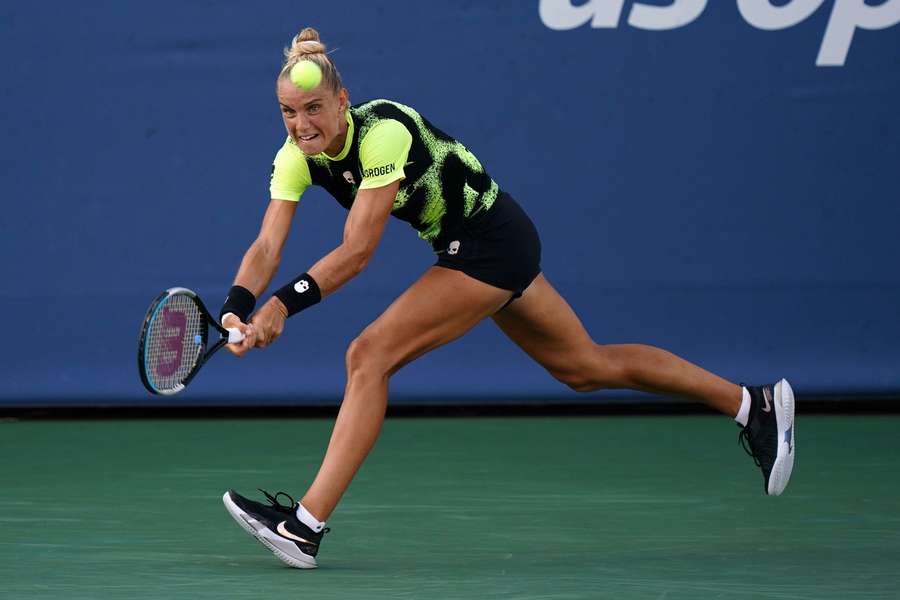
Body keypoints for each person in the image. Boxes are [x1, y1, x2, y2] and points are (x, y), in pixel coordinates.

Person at [219, 27, 795, 569]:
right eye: (289, 112)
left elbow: (358, 249)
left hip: (490, 244)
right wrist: (239, 305)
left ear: (343, 99)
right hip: (478, 245)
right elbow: (268, 245)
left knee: (368, 355)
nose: (300, 124)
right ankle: (752, 405)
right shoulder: (295, 156)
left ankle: (305, 526)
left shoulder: (384, 131)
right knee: (585, 367)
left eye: (313, 108)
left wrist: (282, 306)